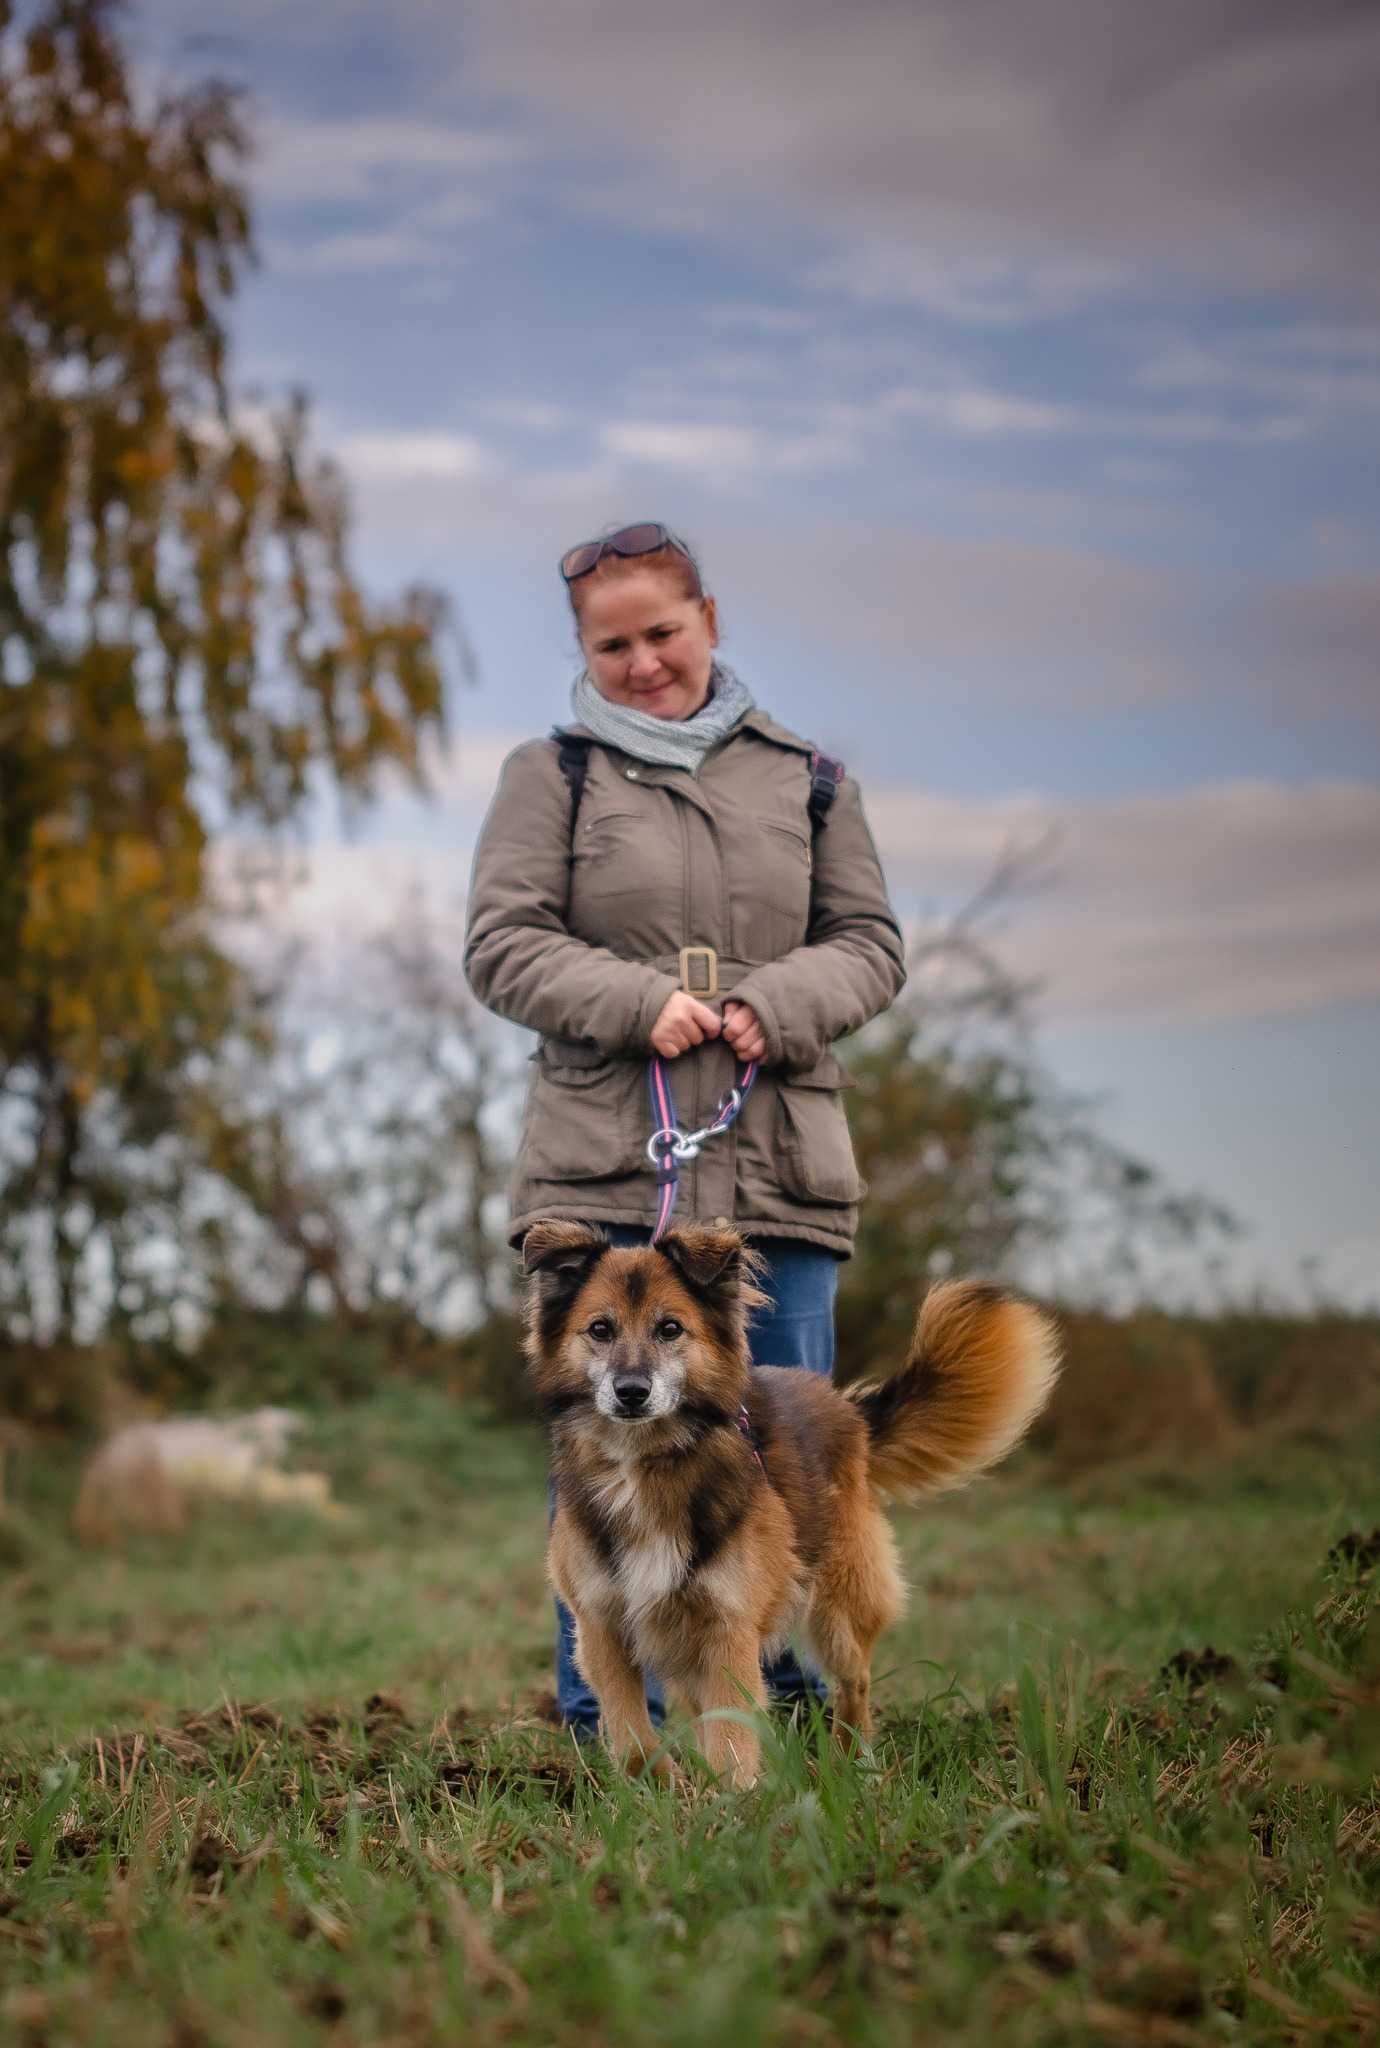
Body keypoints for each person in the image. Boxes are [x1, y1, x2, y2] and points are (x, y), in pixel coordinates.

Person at [464, 521, 906, 1740]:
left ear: (709, 617)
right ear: (584, 652)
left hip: (777, 1170)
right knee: (605, 1452)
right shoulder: (548, 776)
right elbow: (500, 944)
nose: (644, 660)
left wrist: (780, 1001)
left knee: (784, 1461)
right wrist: (635, 1000)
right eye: (614, 644)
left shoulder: (810, 779)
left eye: (663, 630)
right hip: (605, 1158)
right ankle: (604, 1725)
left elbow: (872, 946)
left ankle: (791, 1714)